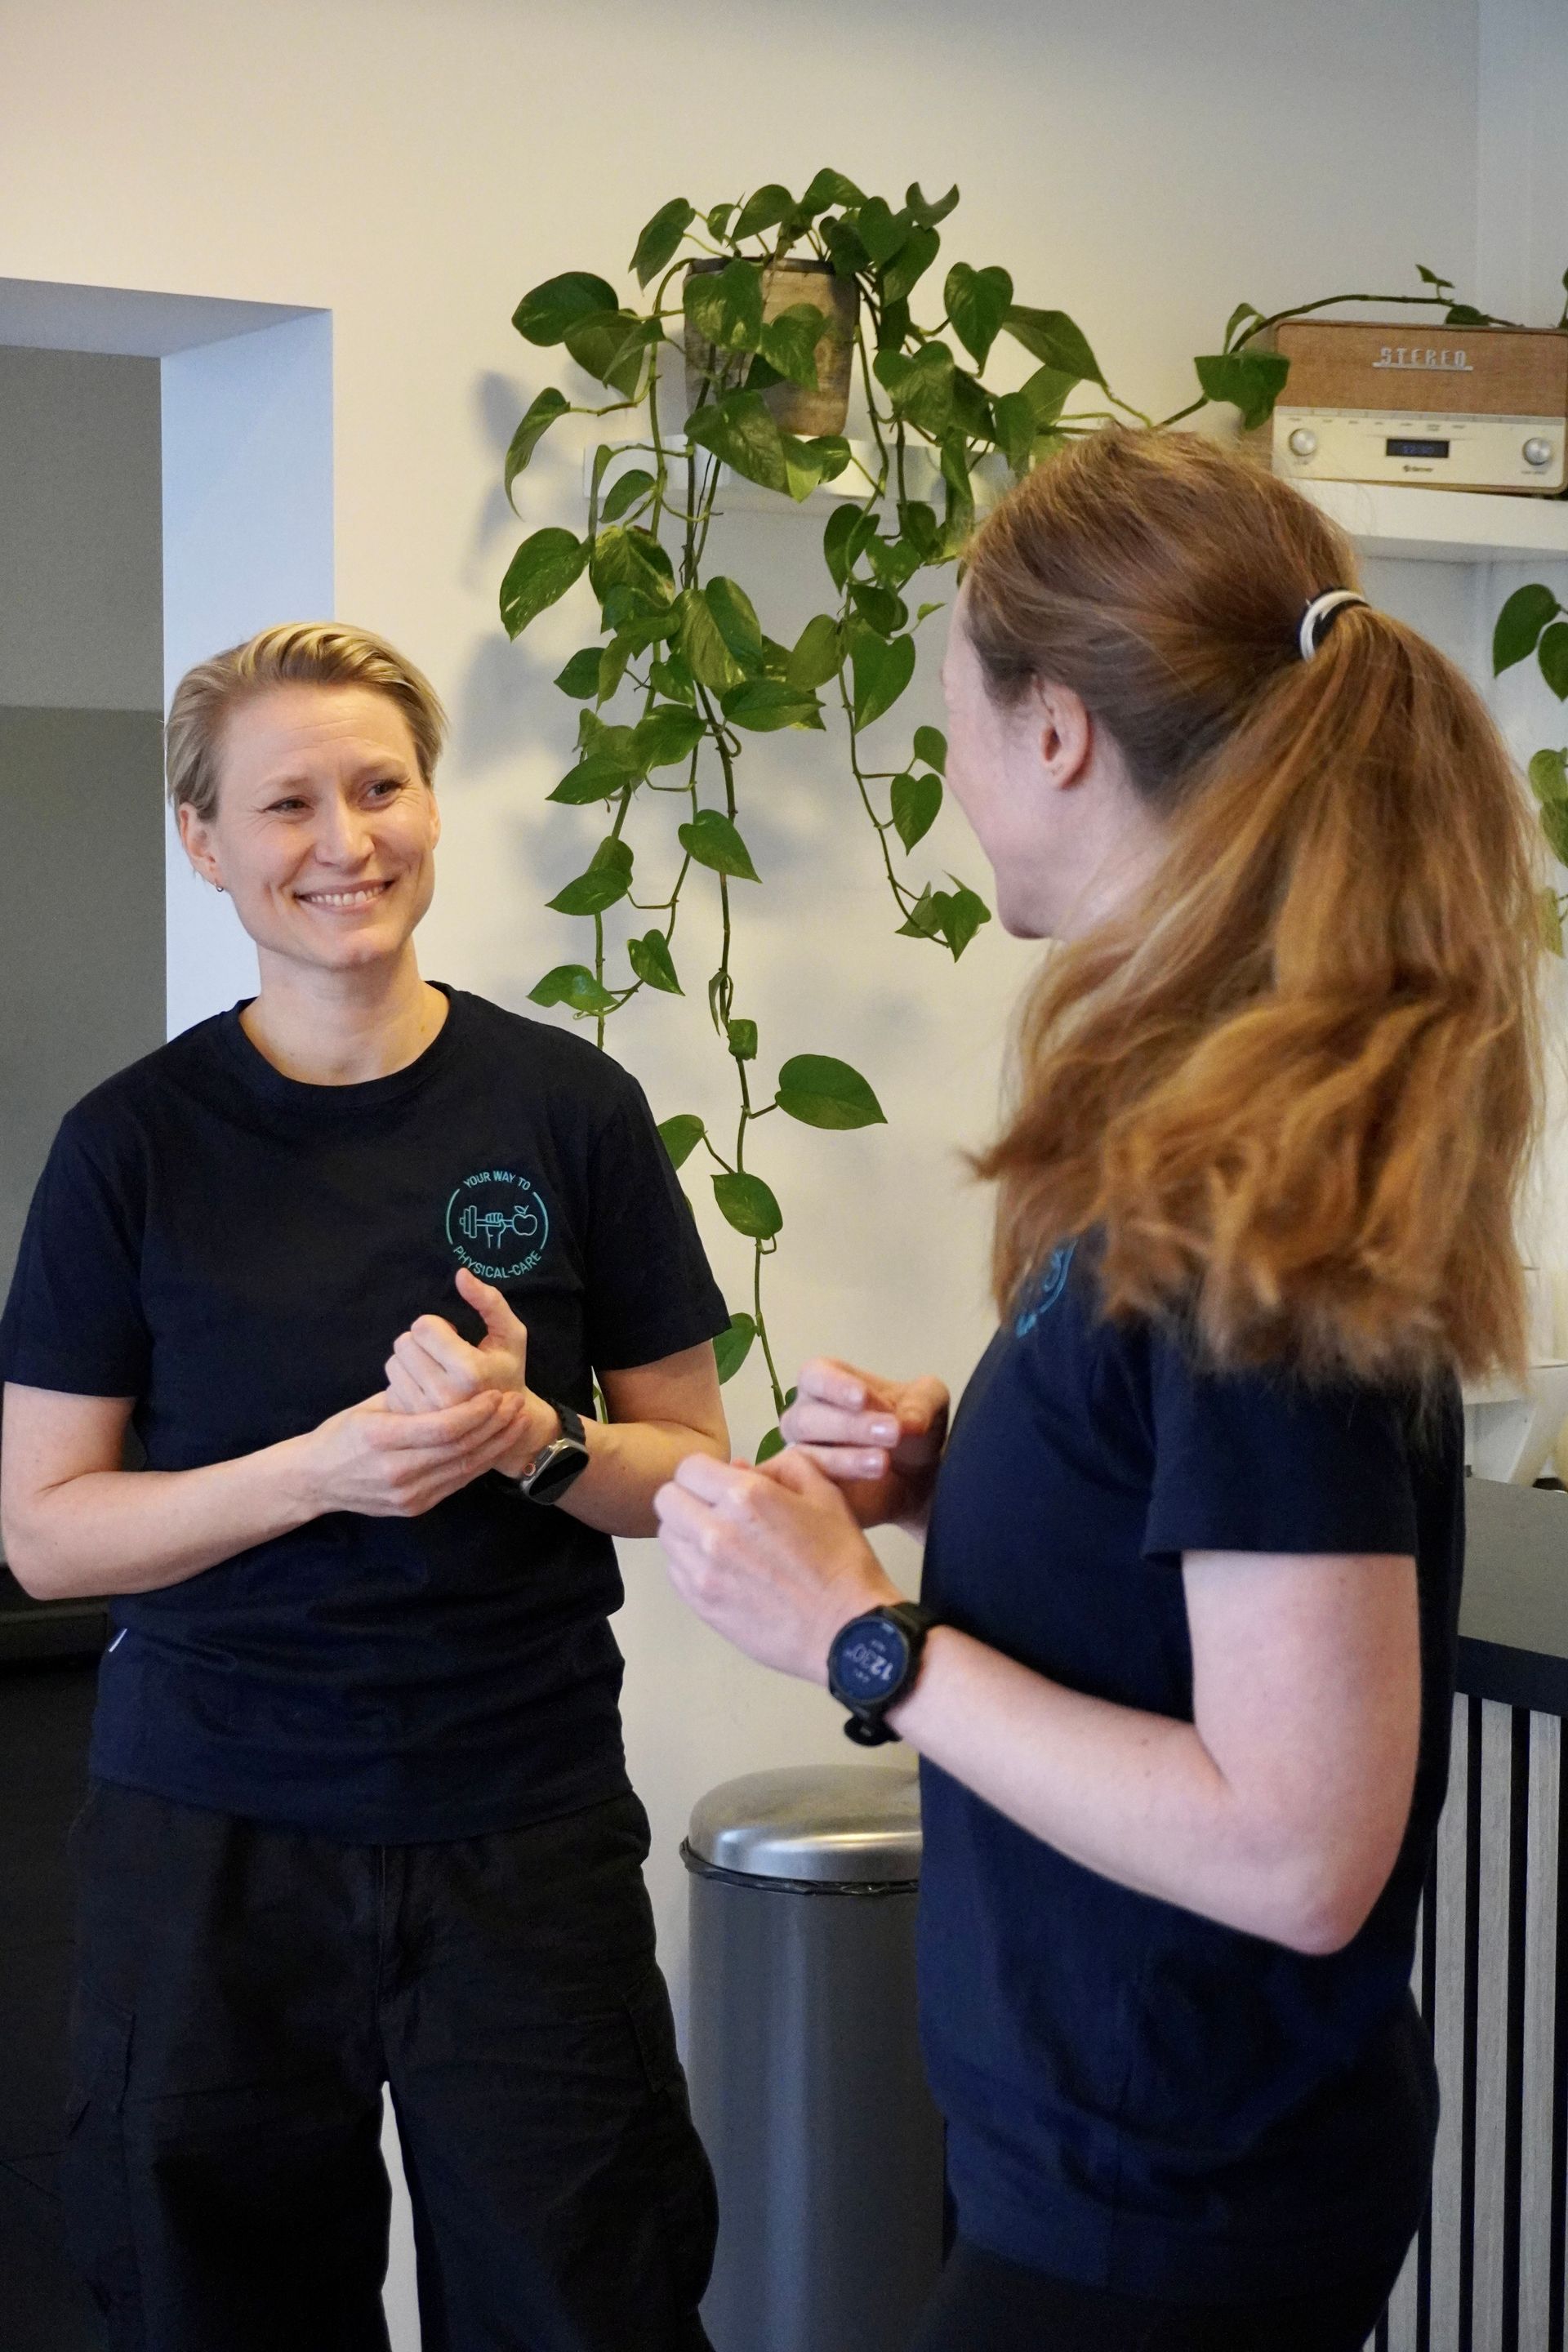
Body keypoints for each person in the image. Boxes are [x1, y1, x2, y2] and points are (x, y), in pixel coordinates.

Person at [654, 429, 1544, 2352]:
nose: (954, 771)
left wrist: (860, 1644)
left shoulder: (1238, 1195)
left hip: (1172, 2195)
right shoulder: (1206, 1116)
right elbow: (1212, 1533)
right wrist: (974, 1482)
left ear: (1056, 729)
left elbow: (1300, 1849)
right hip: (1140, 2149)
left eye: (955, 713)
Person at [0, 622, 730, 2352]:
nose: (347, 842)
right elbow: (44, 1530)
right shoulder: (131, 1146)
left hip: (521, 1821)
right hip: (213, 1839)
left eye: (381, 786)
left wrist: (528, 1440)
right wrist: (316, 1473)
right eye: (289, 804)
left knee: (584, 2298)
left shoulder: (571, 1107)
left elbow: (688, 1469)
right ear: (207, 841)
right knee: (210, 2300)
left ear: (429, 799)